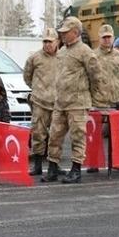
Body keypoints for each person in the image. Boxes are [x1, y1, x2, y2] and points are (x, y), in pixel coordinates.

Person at [42, 16, 100, 184]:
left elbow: (96, 76)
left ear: (75, 32)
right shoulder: (61, 51)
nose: (62, 35)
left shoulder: (85, 51)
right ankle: (52, 168)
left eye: (66, 32)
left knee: (77, 137)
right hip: (60, 102)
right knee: (54, 135)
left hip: (77, 103)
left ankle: (76, 170)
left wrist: (91, 97)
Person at [88, 24, 119, 174]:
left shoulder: (118, 55)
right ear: (99, 38)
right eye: (104, 37)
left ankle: (118, 162)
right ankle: (94, 163)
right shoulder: (92, 55)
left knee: (117, 134)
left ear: (113, 37)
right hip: (98, 100)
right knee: (95, 134)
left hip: (115, 100)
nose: (107, 40)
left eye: (109, 37)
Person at [23, 27, 58, 176]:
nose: (47, 44)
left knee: (57, 135)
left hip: (58, 103)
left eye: (50, 42)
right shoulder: (35, 58)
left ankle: (54, 165)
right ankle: (37, 165)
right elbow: (27, 76)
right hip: (40, 102)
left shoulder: (63, 57)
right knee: (38, 134)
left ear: (57, 42)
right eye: (45, 41)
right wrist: (37, 89)